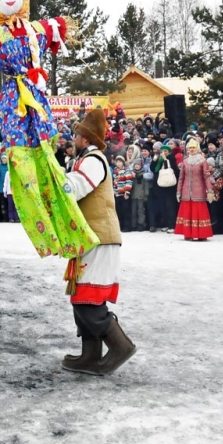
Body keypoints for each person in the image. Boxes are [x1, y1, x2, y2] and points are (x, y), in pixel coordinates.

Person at [0, 0, 96, 261]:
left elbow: (54, 27)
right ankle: (48, 235)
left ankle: (68, 231)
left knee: (47, 160)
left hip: (37, 98)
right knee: (24, 165)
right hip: (16, 101)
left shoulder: (37, 30)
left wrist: (56, 25)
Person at [62, 109, 136, 375]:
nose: (74, 137)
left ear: (86, 137)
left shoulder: (93, 159)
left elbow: (75, 187)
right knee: (80, 296)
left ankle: (120, 346)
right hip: (91, 237)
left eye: (78, 133)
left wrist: (53, 181)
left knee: (88, 298)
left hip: (99, 236)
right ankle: (90, 355)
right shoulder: (86, 158)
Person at [175, 139, 215, 241]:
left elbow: (206, 176)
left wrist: (209, 190)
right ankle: (188, 233)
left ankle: (201, 234)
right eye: (190, 148)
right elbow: (181, 178)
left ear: (197, 148)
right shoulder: (185, 161)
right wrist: (179, 191)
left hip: (199, 191)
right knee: (188, 212)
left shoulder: (202, 161)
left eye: (193, 147)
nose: (191, 150)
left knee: (199, 212)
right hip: (186, 191)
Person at [153, 144, 180, 232]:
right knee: (163, 205)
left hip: (170, 186)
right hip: (161, 185)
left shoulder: (171, 158)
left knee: (170, 205)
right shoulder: (159, 159)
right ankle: (165, 224)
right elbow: (153, 169)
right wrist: (154, 161)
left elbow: (172, 169)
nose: (164, 153)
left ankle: (172, 225)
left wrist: (165, 159)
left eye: (165, 151)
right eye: (162, 151)